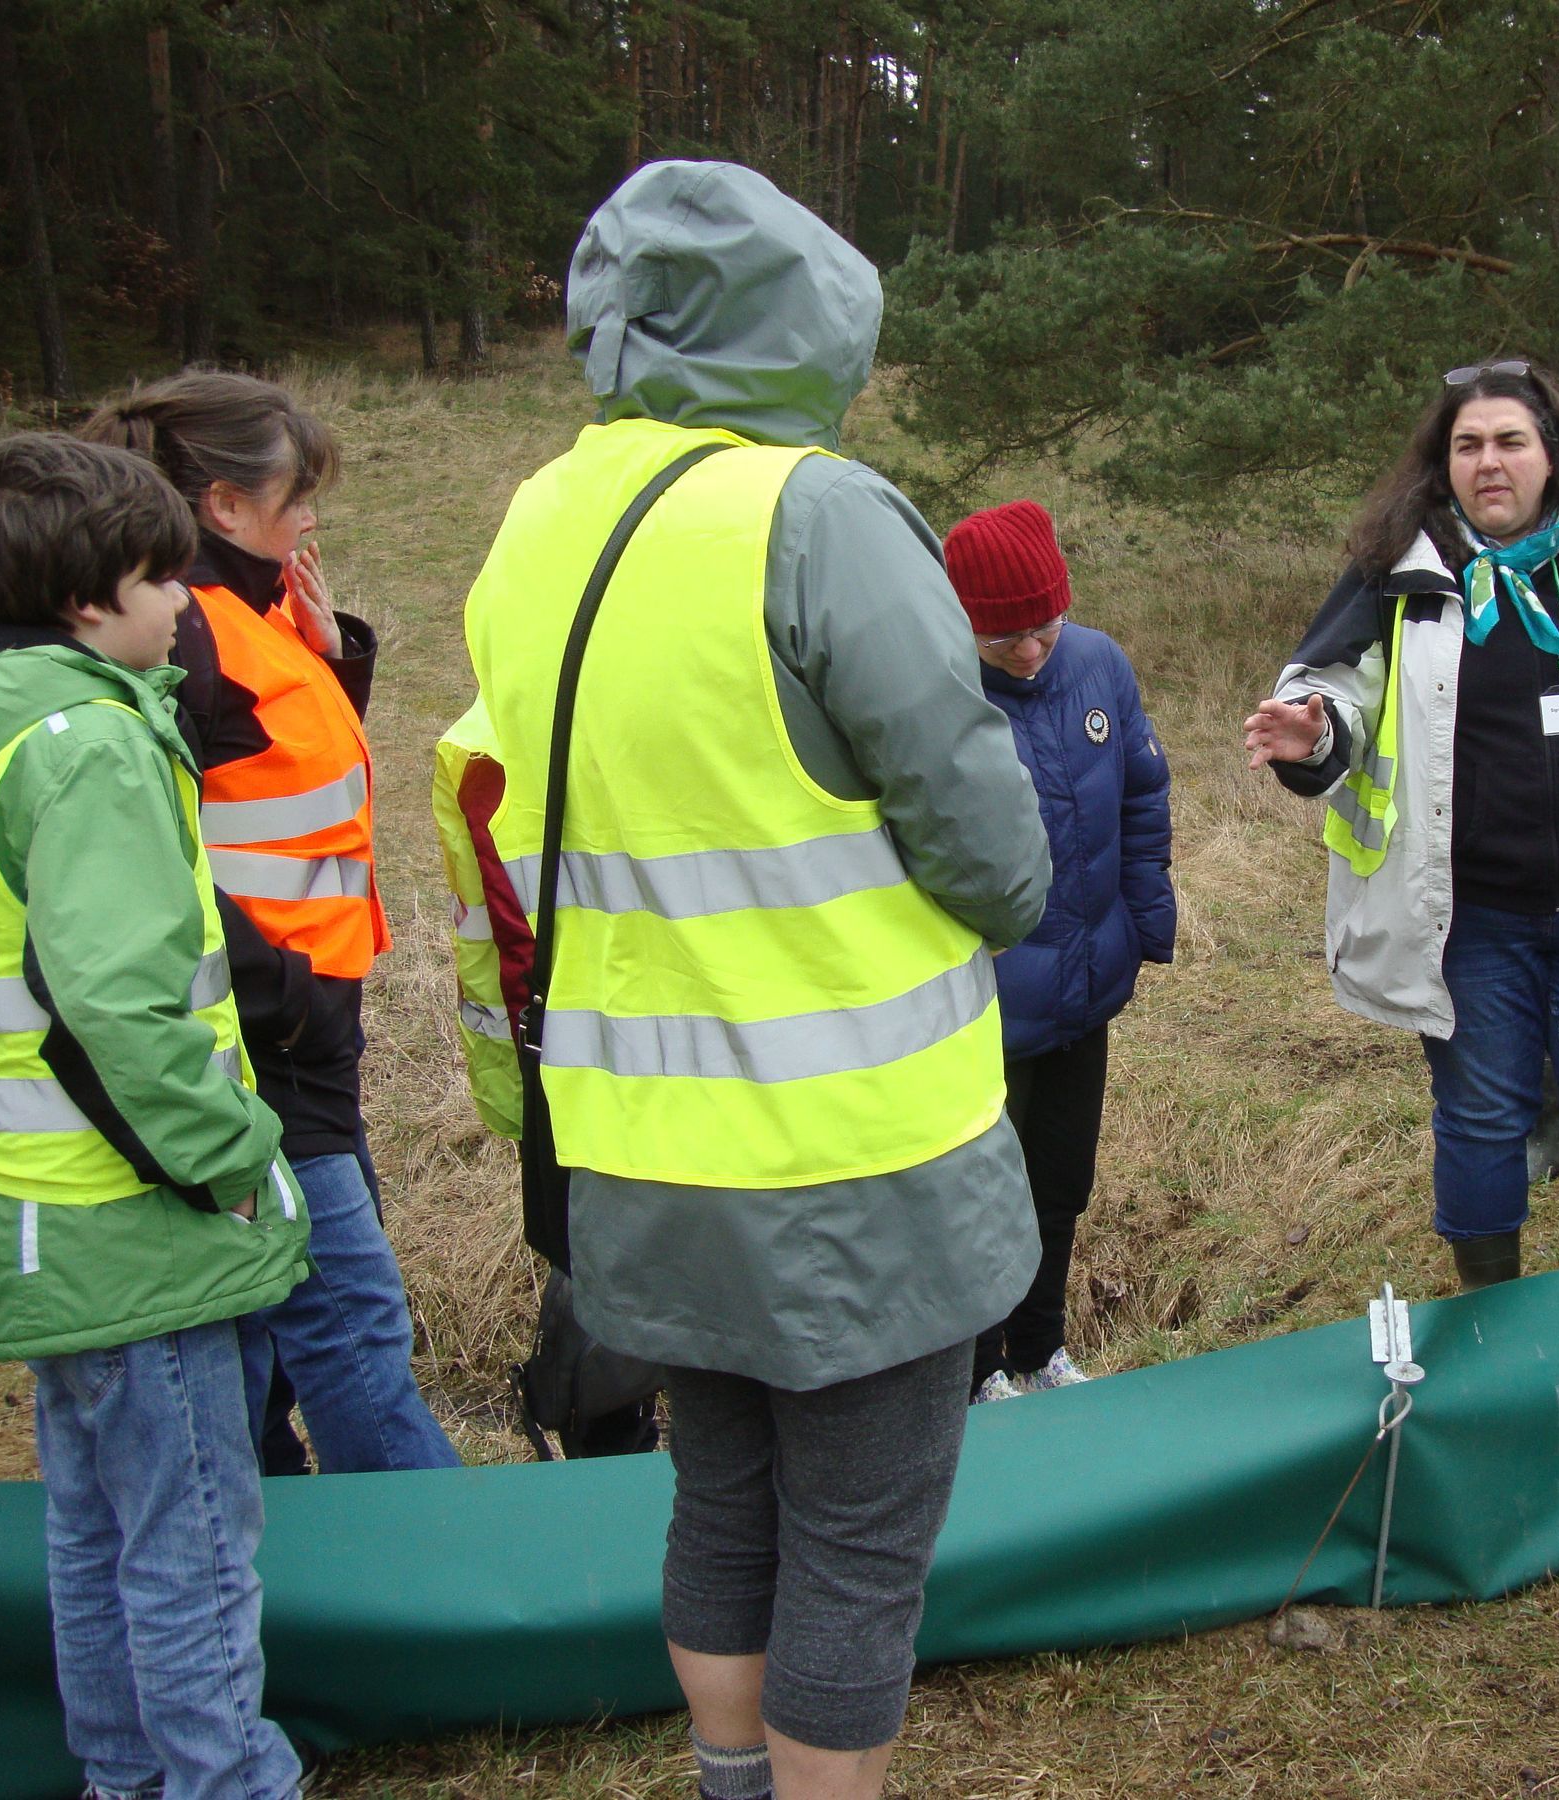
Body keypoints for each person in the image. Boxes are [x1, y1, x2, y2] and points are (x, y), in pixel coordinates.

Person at [461, 161, 1049, 1800]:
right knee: (856, 1545)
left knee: (721, 1499)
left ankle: (730, 1779)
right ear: (806, 323)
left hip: (639, 1139)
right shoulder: (816, 513)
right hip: (851, 1153)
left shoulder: (537, 516)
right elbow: (986, 844)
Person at [0, 434, 311, 1800]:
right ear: (89, 602)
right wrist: (232, 1158)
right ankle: (225, 1780)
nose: (188, 601)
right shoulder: (91, 753)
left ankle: (125, 1776)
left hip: (40, 1216)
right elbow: (117, 1010)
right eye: (163, 578)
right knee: (192, 1548)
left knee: (92, 1535)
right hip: (140, 1229)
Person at [1242, 358, 1559, 1291]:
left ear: (1552, 455)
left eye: (1511, 441)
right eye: (1468, 445)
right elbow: (1327, 691)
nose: (1489, 462)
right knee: (1480, 1121)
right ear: (1445, 465)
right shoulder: (1399, 571)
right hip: (1469, 916)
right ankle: (1489, 1324)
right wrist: (1315, 736)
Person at [82, 373, 457, 1477]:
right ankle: (431, 1551)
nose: (312, 518)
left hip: (304, 1025)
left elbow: (283, 784)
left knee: (276, 1327)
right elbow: (153, 849)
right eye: (297, 496)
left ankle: (269, 1521)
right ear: (223, 504)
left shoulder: (256, 611)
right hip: (260, 1039)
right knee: (347, 1326)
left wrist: (336, 659)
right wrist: (276, 995)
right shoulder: (182, 630)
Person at [941, 499, 1175, 1403]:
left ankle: (1042, 1351)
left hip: (1085, 988)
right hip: (987, 1009)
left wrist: (1144, 923)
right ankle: (978, 1372)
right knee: (983, 1196)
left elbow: (1142, 795)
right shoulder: (937, 699)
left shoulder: (1099, 664)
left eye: (1044, 627)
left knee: (1059, 1185)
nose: (1031, 652)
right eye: (1003, 639)